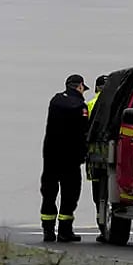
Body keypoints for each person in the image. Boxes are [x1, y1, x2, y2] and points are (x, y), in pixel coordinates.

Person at [40, 74, 89, 243]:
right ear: (80, 86)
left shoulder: (55, 101)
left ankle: (47, 231)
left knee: (49, 192)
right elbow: (83, 133)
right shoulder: (80, 106)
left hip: (51, 156)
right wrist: (84, 154)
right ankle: (64, 231)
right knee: (70, 194)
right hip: (70, 158)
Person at [84, 75, 107, 241]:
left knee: (97, 193)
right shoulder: (118, 103)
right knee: (108, 192)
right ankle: (107, 226)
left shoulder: (90, 104)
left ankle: (101, 225)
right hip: (113, 156)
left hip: (94, 156)